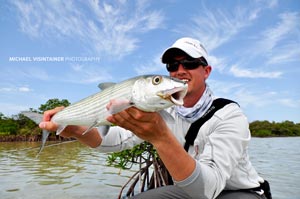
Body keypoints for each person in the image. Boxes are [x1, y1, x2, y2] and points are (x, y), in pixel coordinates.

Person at [39, 37, 271, 199]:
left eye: (190, 63)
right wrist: (76, 129)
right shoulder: (163, 110)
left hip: (238, 192)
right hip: (190, 189)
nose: (180, 70)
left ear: (206, 71)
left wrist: (160, 137)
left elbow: (208, 189)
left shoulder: (229, 115)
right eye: (173, 65)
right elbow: (116, 141)